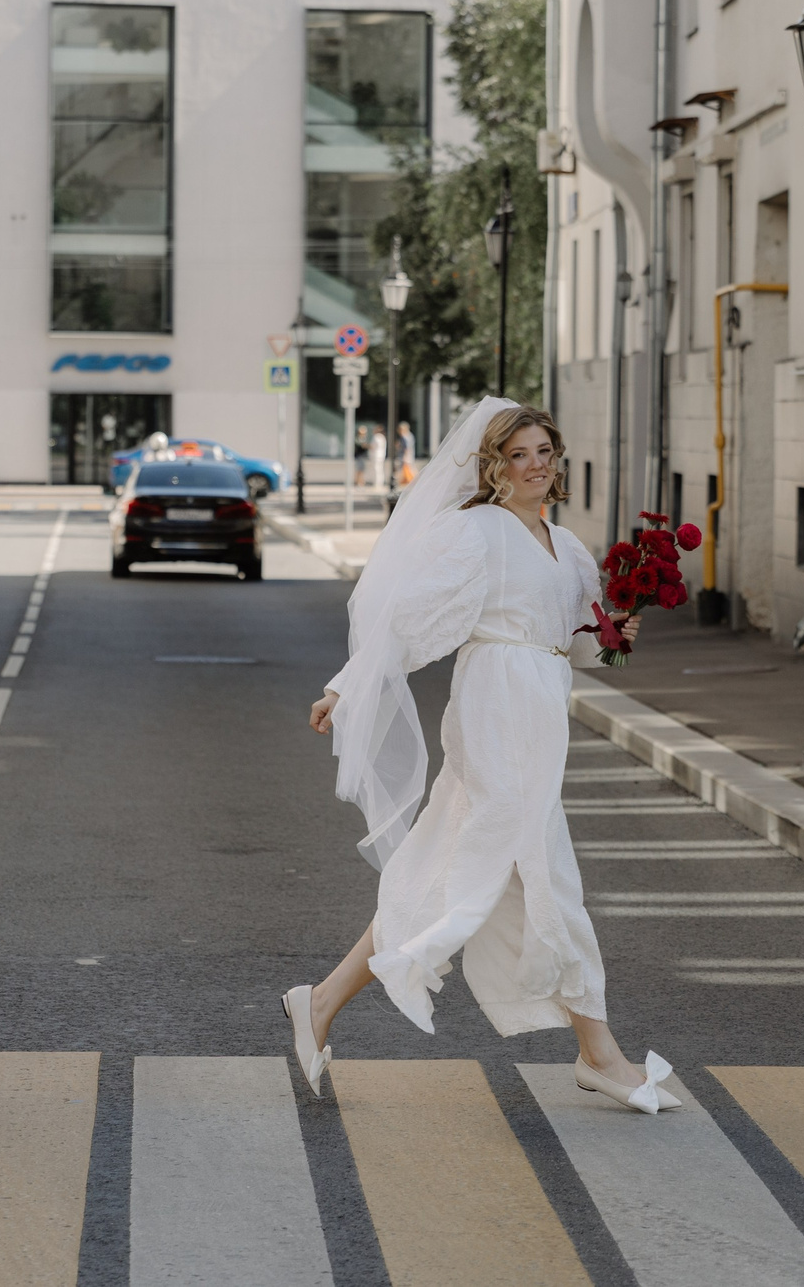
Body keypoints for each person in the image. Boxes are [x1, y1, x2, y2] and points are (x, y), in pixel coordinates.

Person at [284, 401, 678, 1113]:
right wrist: (347, 684)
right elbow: (410, 620)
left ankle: (318, 1000)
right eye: (519, 454)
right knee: (539, 867)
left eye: (544, 451)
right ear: (495, 467)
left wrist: (619, 628)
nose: (535, 464)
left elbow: (583, 644)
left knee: (454, 866)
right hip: (494, 706)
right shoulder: (479, 533)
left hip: (540, 710)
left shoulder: (571, 547)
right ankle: (601, 1054)